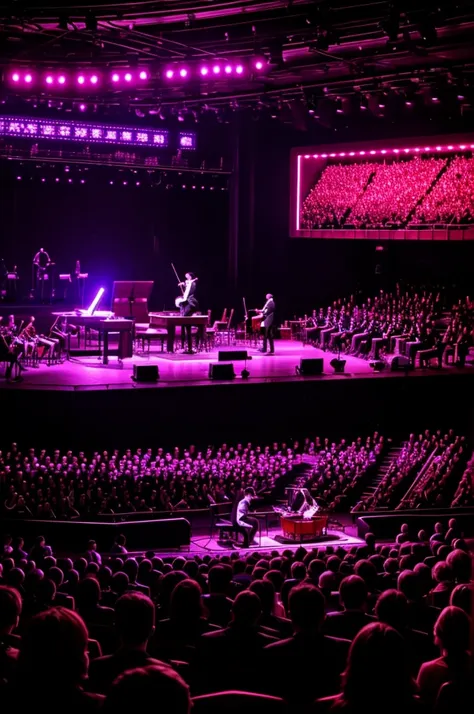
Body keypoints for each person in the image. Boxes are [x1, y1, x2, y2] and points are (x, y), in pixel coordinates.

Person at [176, 272, 199, 354]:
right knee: (184, 325)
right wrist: (183, 284)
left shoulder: (193, 284)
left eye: (187, 277)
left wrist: (186, 283)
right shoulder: (189, 283)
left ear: (191, 277)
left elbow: (189, 288)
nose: (186, 278)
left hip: (191, 303)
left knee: (186, 323)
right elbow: (187, 286)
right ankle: (186, 347)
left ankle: (189, 347)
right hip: (186, 303)